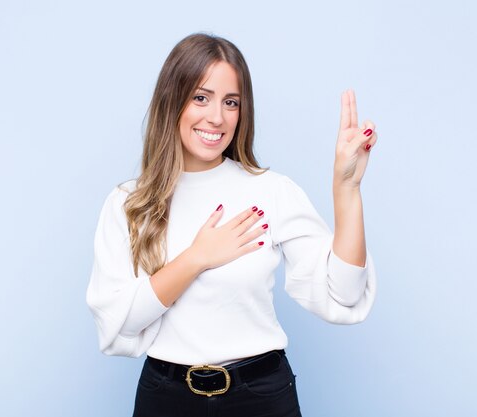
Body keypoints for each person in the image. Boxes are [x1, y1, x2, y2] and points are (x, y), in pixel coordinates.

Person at [85, 32, 378, 417]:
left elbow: (345, 294)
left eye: (231, 103)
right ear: (172, 100)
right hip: (166, 399)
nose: (217, 117)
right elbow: (117, 321)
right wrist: (196, 258)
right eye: (200, 97)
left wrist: (347, 189)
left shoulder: (271, 191)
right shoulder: (128, 202)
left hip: (261, 397)